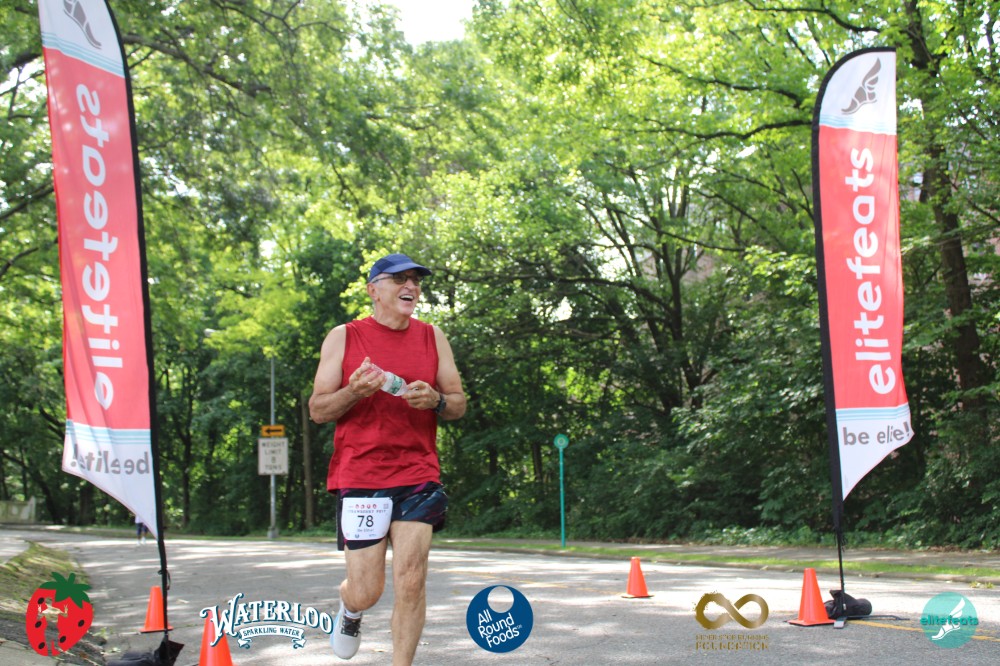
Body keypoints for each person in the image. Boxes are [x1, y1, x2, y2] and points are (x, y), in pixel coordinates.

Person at [309, 253, 467, 664]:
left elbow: (458, 403)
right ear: (373, 290)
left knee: (412, 579)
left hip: (418, 473)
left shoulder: (433, 337)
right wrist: (354, 392)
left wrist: (436, 400)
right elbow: (318, 410)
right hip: (361, 475)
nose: (411, 286)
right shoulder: (344, 337)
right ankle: (350, 608)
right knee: (368, 590)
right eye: (399, 279)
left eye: (415, 280)